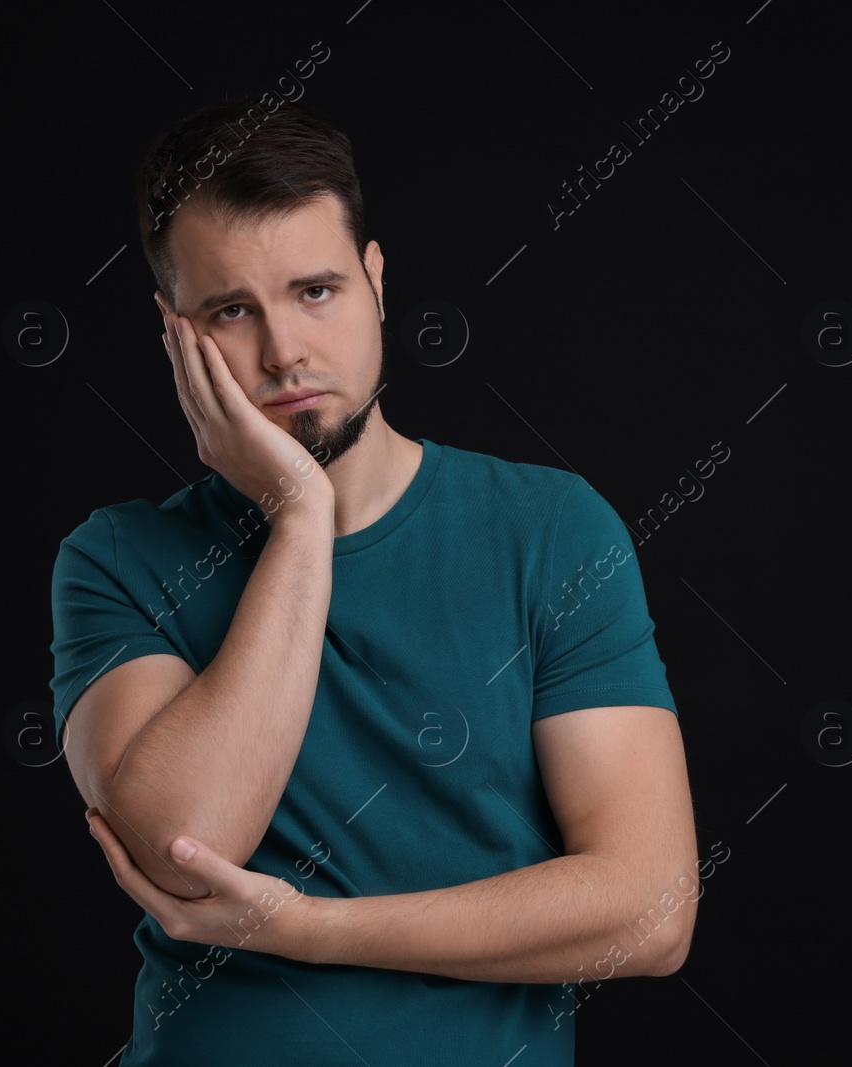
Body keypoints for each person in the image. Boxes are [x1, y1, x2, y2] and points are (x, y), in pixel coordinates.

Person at [49, 97, 698, 1065]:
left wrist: (309, 926)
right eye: (232, 310)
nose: (283, 353)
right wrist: (302, 515)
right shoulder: (116, 556)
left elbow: (650, 914)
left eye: (316, 291)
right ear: (174, 331)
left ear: (377, 282)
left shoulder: (551, 529)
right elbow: (183, 842)